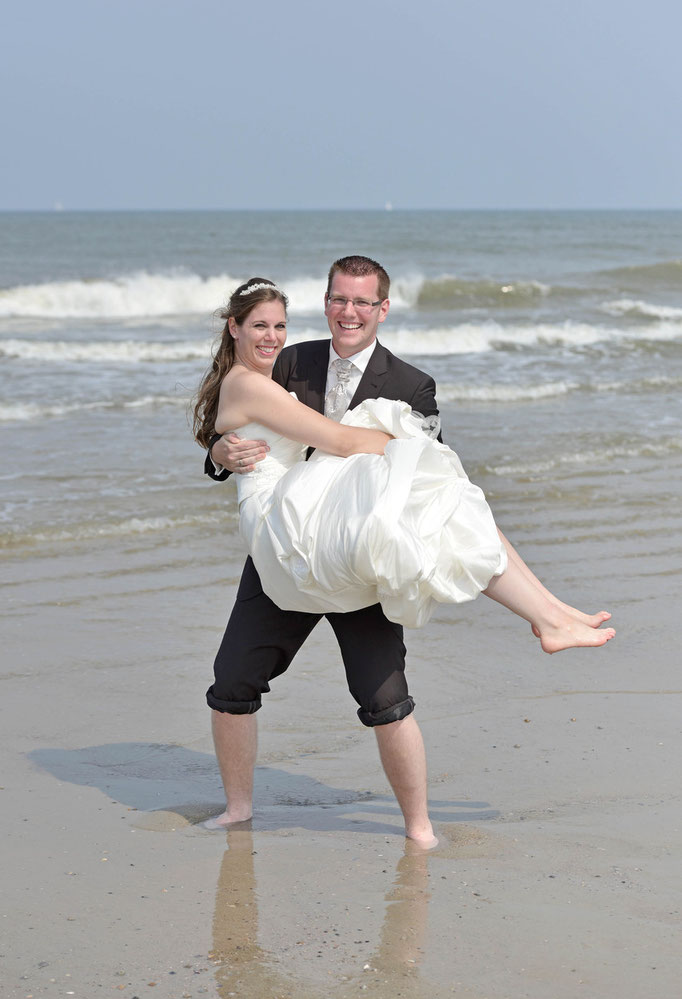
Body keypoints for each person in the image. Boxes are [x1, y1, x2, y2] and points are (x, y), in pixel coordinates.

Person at [195, 260, 614, 846]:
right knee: (232, 682)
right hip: (290, 546)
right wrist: (221, 451)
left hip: (363, 554)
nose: (349, 311)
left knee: (387, 696)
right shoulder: (287, 360)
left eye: (362, 303)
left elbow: (424, 487)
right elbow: (229, 426)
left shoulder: (412, 384)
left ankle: (420, 828)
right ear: (326, 301)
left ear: (382, 310)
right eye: (340, 299)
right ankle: (238, 809)